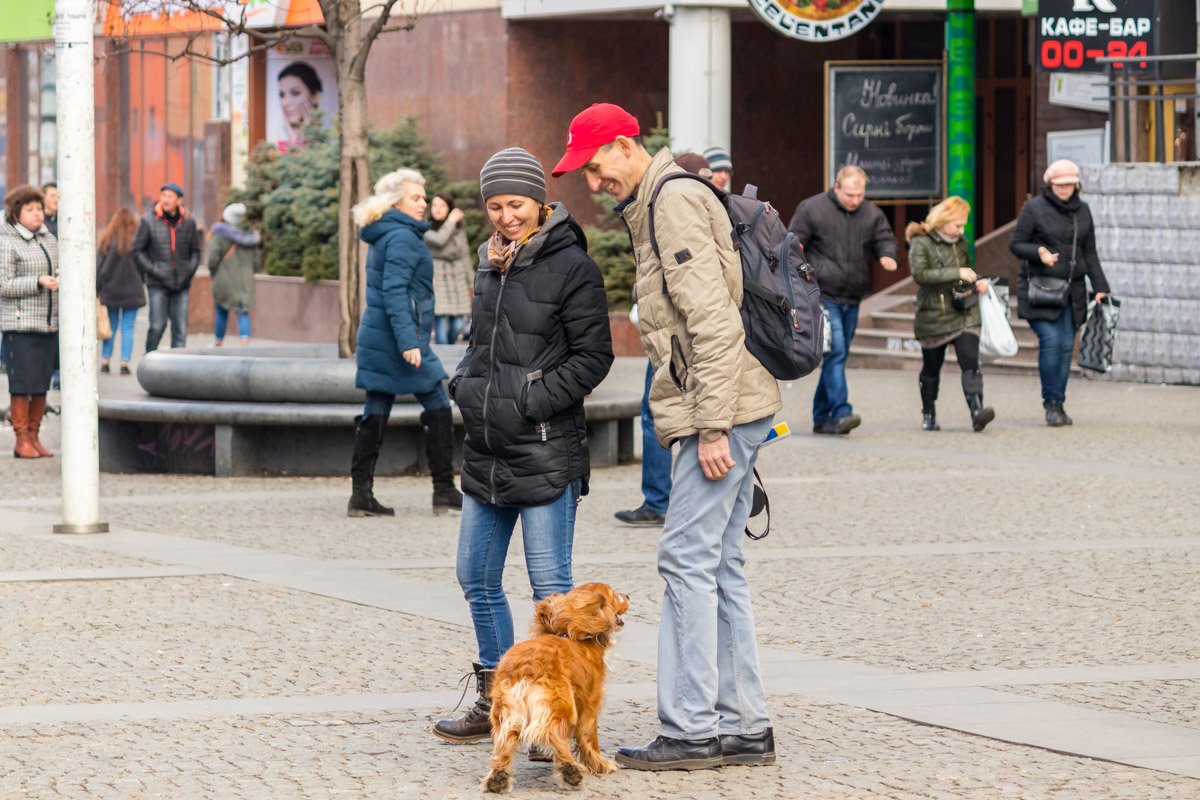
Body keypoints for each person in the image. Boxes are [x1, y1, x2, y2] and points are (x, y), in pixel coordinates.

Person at [554, 103, 780, 771]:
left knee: (685, 561)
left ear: (626, 147)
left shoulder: (671, 202)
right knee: (719, 565)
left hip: (721, 410)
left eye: (595, 168)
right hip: (734, 404)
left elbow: (711, 320)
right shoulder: (661, 200)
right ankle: (744, 723)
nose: (592, 184)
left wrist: (712, 424)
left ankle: (690, 728)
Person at [432, 147, 613, 743]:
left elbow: (594, 358)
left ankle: (555, 716)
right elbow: (481, 346)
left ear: (540, 201)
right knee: (475, 577)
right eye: (495, 205)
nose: (506, 216)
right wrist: (466, 386)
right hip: (486, 451)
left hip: (542, 447)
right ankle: (497, 698)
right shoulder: (493, 265)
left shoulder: (573, 268)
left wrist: (531, 401)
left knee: (550, 595)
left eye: (516, 204)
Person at [349, 168, 463, 517]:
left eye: (423, 197)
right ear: (395, 202)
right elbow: (394, 292)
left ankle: (361, 496)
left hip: (383, 335)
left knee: (377, 408)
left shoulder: (394, 233)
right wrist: (409, 342)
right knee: (438, 403)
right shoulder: (401, 237)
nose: (423, 203)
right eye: (416, 198)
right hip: (396, 338)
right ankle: (443, 490)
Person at [615, 152, 708, 527]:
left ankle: (659, 500)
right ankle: (680, 502)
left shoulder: (670, 205)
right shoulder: (709, 202)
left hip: (672, 343)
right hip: (691, 341)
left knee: (656, 415)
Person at [788, 165, 898, 435]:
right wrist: (802, 278)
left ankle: (820, 417)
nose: (855, 200)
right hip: (823, 294)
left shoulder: (871, 213)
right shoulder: (812, 208)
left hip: (853, 296)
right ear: (836, 187)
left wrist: (887, 254)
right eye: (850, 194)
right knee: (835, 352)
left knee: (838, 356)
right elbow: (791, 244)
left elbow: (884, 237)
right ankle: (841, 412)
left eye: (860, 194)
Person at [1010, 158, 1110, 426]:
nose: (1064, 189)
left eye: (1069, 184)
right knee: (1052, 342)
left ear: (1077, 185)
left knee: (1067, 348)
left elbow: (1089, 251)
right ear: (1050, 184)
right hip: (1041, 289)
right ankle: (1050, 403)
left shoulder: (1083, 211)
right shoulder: (1034, 208)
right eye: (1059, 185)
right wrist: (1039, 252)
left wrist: (1100, 286)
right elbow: (1016, 244)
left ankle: (1059, 403)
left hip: (1073, 291)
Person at [905, 197, 995, 433]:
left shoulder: (962, 242)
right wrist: (957, 272)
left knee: (970, 361)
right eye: (957, 224)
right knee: (931, 368)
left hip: (964, 310)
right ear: (942, 221)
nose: (961, 230)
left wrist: (978, 282)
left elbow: (966, 273)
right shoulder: (921, 242)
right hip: (934, 314)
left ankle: (977, 410)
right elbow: (920, 275)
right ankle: (929, 413)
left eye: (963, 225)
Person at [1, 185, 59, 458]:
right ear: (16, 213)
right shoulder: (7, 241)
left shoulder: (49, 239)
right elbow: (4, 284)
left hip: (48, 323)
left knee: (40, 383)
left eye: (39, 208)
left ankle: (35, 436)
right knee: (22, 384)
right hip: (20, 325)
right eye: (30, 209)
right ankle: (21, 438)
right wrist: (38, 282)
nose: (38, 214)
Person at [131, 182, 201, 353]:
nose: (165, 199)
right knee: (157, 325)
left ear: (179, 200)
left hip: (181, 284)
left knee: (180, 328)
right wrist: (154, 270)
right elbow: (137, 251)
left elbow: (196, 252)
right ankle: (149, 361)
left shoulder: (188, 222)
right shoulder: (148, 220)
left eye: (170, 196)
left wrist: (188, 271)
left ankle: (178, 368)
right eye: (163, 195)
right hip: (158, 283)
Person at [96, 208, 146, 375]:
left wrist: (97, 288)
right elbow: (143, 267)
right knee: (128, 327)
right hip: (132, 291)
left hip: (111, 290)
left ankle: (105, 360)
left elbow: (100, 269)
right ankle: (125, 362)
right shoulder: (136, 243)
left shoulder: (107, 241)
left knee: (111, 325)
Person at [208, 202, 261, 347]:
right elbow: (257, 262)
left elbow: (212, 258)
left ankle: (218, 342)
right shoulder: (252, 236)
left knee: (221, 310)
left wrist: (214, 273)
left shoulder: (220, 235)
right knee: (243, 311)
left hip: (224, 278)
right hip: (245, 280)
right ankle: (245, 342)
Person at [423, 192, 473, 345]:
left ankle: (448, 352)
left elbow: (465, 256)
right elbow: (439, 240)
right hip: (437, 277)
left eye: (442, 206)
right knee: (441, 326)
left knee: (458, 325)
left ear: (449, 208)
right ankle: (443, 359)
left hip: (457, 278)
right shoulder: (426, 227)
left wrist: (472, 284)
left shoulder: (458, 230)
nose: (437, 209)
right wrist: (451, 221)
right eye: (435, 205)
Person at [277, 62, 323, 144]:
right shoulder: (280, 145)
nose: (285, 102)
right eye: (282, 95)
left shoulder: (328, 137)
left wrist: (308, 128)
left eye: (295, 93)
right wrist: (294, 137)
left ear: (315, 96)